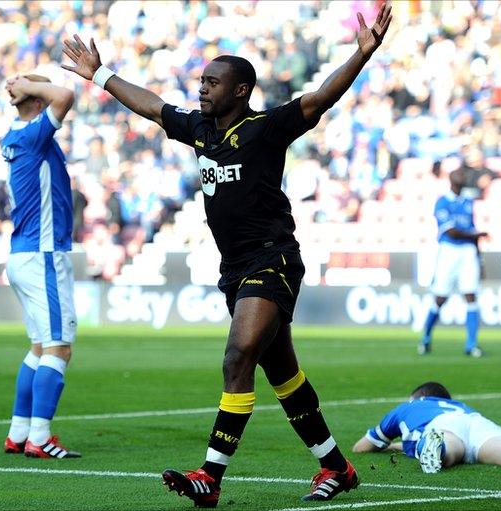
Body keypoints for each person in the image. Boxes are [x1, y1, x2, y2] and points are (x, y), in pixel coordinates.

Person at [61, 4, 392, 507]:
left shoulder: (266, 129)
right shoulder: (202, 131)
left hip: (272, 258)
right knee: (281, 373)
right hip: (234, 269)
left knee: (238, 355)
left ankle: (210, 476)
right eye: (201, 80)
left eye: (212, 82)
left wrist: (361, 54)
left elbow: (319, 99)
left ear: (240, 90)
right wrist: (101, 75)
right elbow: (152, 107)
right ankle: (336, 467)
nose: (202, 88)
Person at [0, 73, 81, 459]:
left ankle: (18, 432)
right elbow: (65, 94)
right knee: (59, 348)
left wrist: (28, 87)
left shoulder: (17, 137)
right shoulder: (32, 135)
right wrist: (33, 86)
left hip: (24, 254)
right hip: (44, 254)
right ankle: (40, 436)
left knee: (38, 346)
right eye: (39, 91)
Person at [352, 381, 501, 476]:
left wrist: (384, 444)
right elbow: (403, 442)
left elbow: (362, 447)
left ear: (416, 398)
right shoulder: (457, 405)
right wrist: (399, 446)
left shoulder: (407, 409)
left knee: (448, 452)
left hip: (442, 429)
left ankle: (437, 446)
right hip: (476, 423)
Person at [418, 168, 488, 357]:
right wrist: (476, 234)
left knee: (471, 296)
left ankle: (471, 344)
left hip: (468, 252)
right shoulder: (443, 202)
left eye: (464, 175)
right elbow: (450, 231)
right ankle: (425, 337)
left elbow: (472, 234)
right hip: (449, 251)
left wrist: (479, 259)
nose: (463, 176)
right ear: (451, 179)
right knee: (440, 298)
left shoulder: (468, 202)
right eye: (460, 174)